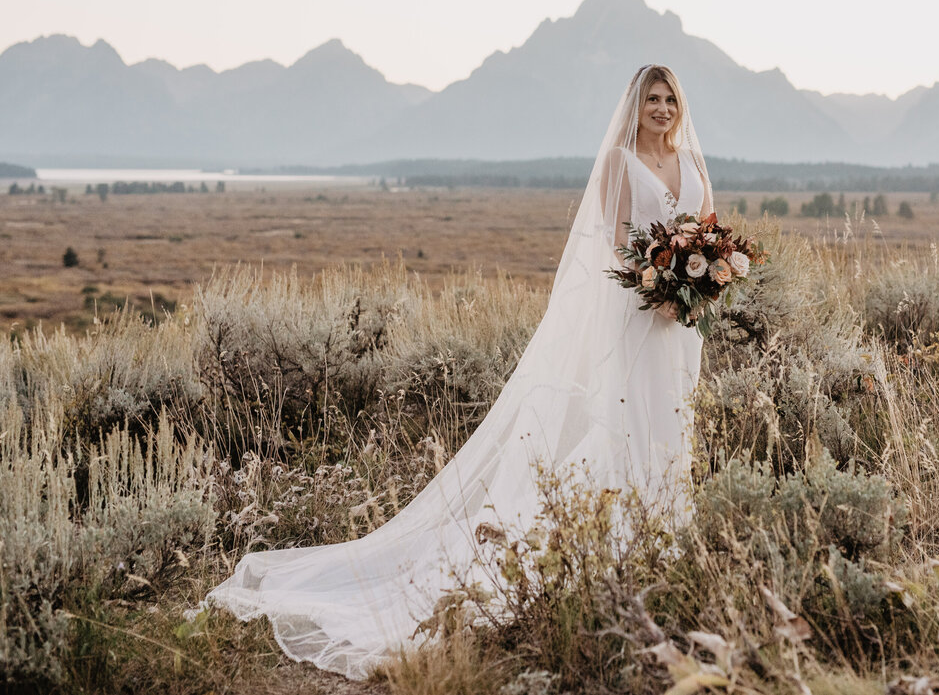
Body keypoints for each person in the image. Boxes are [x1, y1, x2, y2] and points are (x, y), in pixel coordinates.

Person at [202, 64, 715, 680]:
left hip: (678, 327)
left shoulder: (691, 166)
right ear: (635, 107)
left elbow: (706, 233)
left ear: (679, 106)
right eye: (651, 99)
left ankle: (664, 544)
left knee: (671, 425)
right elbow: (612, 240)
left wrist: (700, 278)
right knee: (626, 421)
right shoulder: (619, 162)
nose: (661, 108)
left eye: (669, 99)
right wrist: (653, 282)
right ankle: (614, 549)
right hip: (636, 314)